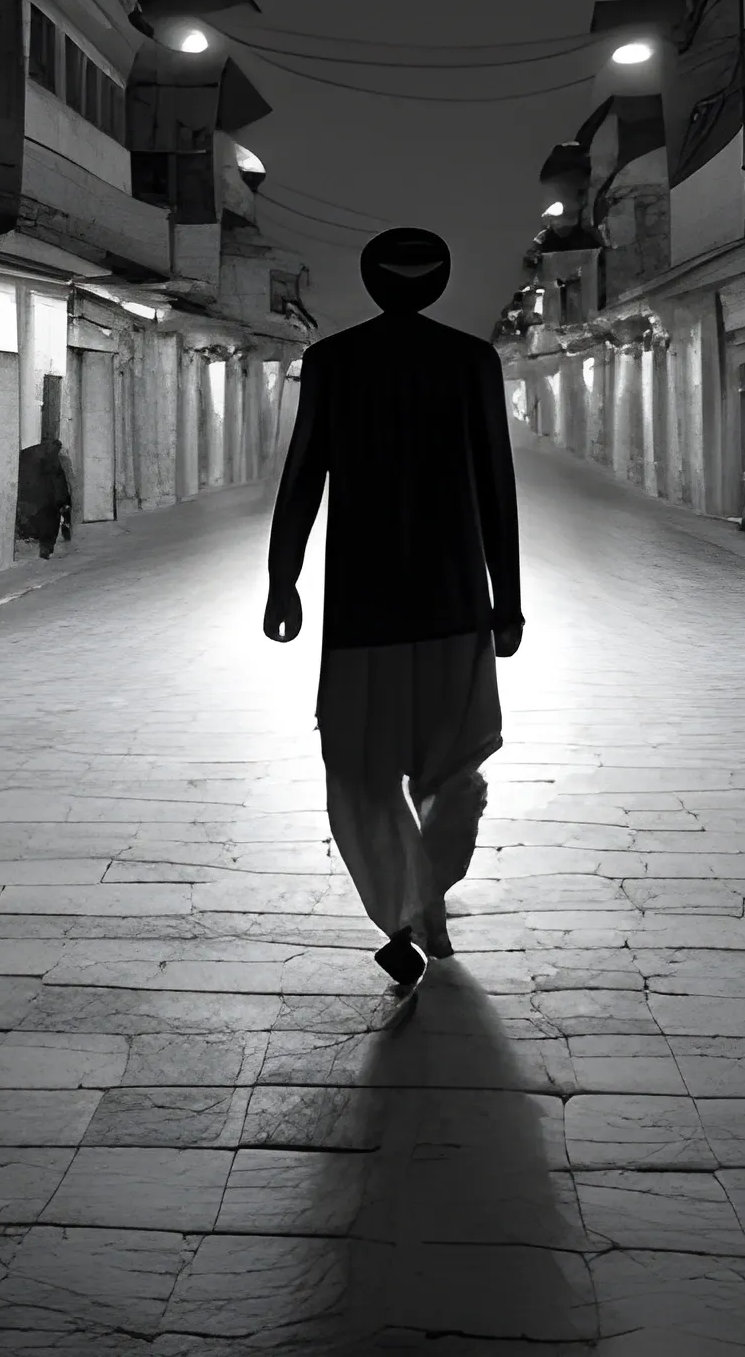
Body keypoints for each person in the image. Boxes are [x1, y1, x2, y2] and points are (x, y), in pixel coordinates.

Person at [264, 226, 524, 990]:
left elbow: (302, 478)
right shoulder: (471, 362)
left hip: (361, 613)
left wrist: (285, 580)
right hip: (452, 608)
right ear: (437, 284)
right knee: (457, 773)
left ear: (374, 284)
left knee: (361, 775)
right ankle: (421, 910)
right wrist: (507, 602)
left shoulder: (334, 363)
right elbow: (496, 492)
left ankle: (406, 914)